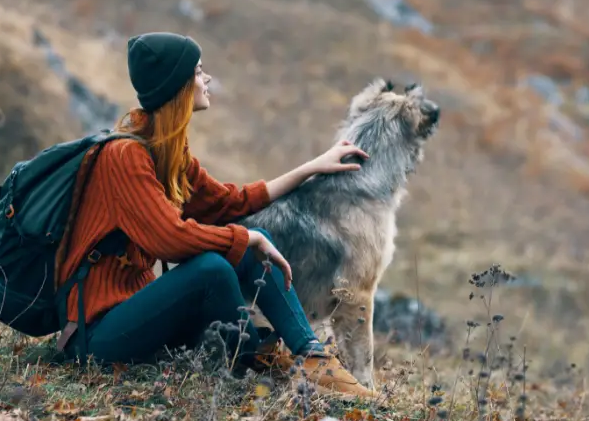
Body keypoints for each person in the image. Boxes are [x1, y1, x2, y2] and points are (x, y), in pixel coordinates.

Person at [56, 32, 375, 398]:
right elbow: (170, 238)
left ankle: (313, 359)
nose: (206, 79)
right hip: (98, 338)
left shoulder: (166, 152)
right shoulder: (124, 157)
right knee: (214, 266)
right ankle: (260, 356)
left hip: (140, 317)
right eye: (198, 72)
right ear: (176, 86)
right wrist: (246, 238)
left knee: (247, 246)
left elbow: (228, 204)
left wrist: (310, 168)